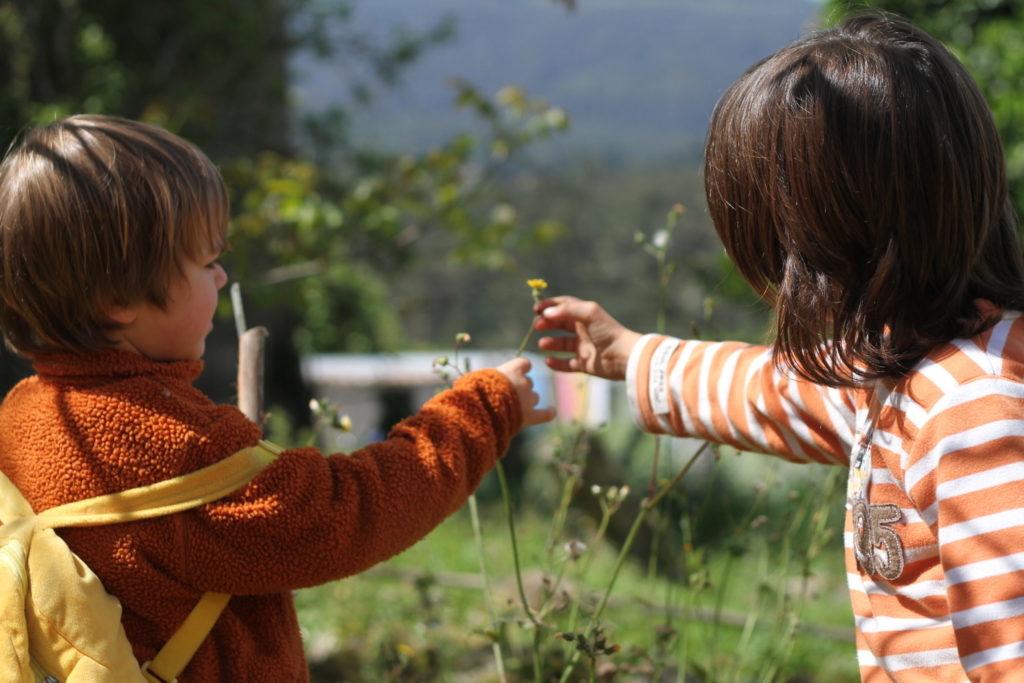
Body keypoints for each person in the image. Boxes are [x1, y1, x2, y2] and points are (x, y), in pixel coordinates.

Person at [535, 13, 1024, 681]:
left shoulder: (977, 408)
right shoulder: (898, 371)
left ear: (832, 249)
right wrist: (631, 355)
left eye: (779, 250)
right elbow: (771, 393)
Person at [0, 114, 554, 681]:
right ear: (119, 297)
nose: (220, 279)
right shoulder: (177, 449)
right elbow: (345, 514)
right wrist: (484, 410)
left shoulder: (23, 413)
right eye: (207, 262)